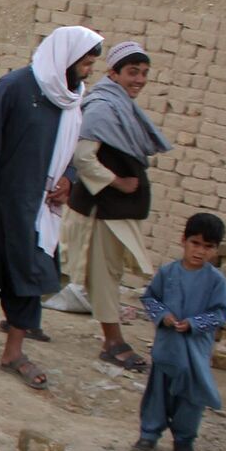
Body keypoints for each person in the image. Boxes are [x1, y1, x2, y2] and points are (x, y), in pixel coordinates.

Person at [0, 25, 103, 390]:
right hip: (0, 205)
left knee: (30, 277)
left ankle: (13, 352)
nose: (87, 71)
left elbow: (73, 150)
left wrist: (68, 178)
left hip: (39, 211)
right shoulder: (16, 87)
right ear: (67, 58)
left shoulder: (72, 99)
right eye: (84, 63)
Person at [63, 40, 170, 373]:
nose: (139, 79)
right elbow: (82, 157)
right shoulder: (103, 107)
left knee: (80, 269)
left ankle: (21, 317)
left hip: (117, 211)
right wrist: (118, 182)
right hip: (104, 210)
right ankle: (113, 343)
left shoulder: (121, 105)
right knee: (103, 275)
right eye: (132, 72)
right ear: (114, 73)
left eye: (144, 73)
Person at [132, 213, 226, 451]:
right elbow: (150, 298)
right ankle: (149, 435)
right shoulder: (168, 272)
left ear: (216, 250)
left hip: (195, 352)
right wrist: (163, 315)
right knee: (158, 393)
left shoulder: (216, 281)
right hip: (168, 348)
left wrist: (195, 324)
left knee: (191, 397)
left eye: (208, 247)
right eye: (195, 244)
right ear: (183, 241)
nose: (200, 252)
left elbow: (220, 314)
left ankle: (185, 440)